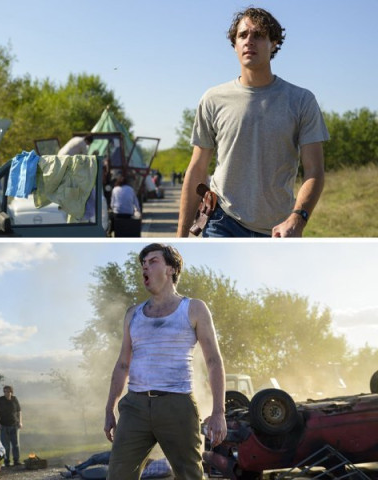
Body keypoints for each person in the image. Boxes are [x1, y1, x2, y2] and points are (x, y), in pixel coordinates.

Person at [178, 7, 328, 238]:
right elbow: (197, 168)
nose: (249, 41)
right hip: (221, 220)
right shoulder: (213, 99)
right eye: (243, 35)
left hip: (279, 227)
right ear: (235, 44)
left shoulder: (301, 100)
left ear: (274, 43)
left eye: (258, 35)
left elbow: (315, 171)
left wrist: (298, 218)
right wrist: (180, 238)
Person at [104, 244, 226, 480]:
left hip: (177, 405)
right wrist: (110, 408)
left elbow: (213, 360)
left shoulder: (194, 308)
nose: (145, 268)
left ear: (171, 269)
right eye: (143, 264)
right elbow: (122, 365)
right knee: (118, 475)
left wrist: (219, 411)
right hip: (135, 407)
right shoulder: (133, 314)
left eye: (152, 261)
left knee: (190, 476)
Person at [0, 386, 22, 467]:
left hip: (14, 425)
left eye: (8, 392)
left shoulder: (14, 399)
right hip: (4, 426)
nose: (6, 393)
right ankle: (7, 461)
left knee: (15, 444)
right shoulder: (0, 400)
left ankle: (16, 460)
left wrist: (20, 422)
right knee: (5, 445)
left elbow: (19, 411)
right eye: (5, 391)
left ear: (11, 392)